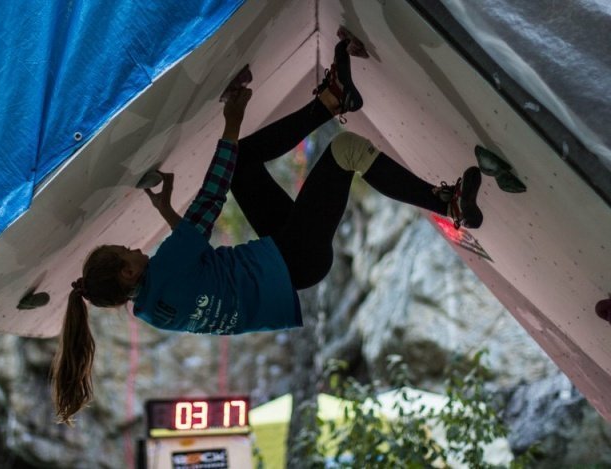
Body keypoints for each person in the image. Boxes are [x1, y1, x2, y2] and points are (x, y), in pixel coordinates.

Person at [51, 39, 483, 424]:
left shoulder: (151, 309)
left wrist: (167, 211)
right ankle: (449, 204)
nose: (134, 248)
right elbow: (210, 198)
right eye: (127, 251)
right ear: (127, 272)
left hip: (282, 263)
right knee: (345, 151)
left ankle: (334, 99)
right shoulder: (164, 271)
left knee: (242, 165)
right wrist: (232, 121)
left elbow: (193, 259)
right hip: (293, 259)